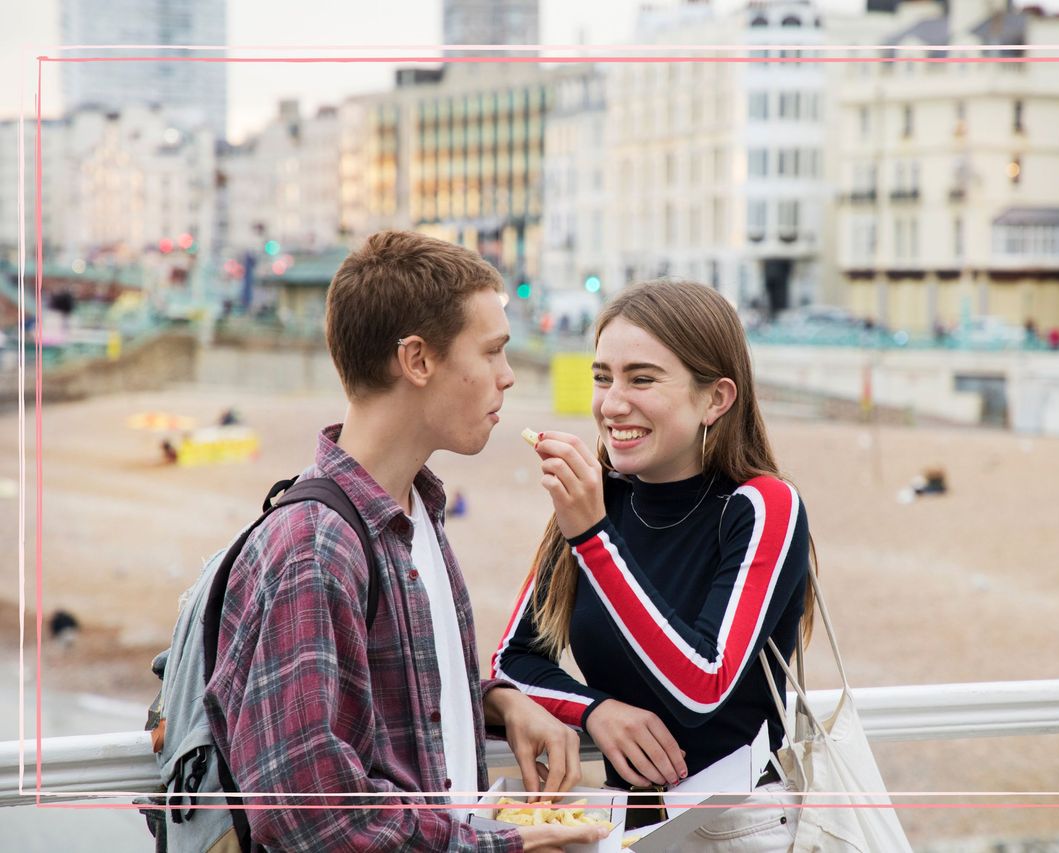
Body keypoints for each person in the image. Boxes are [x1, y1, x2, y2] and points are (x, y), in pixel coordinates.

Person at [204, 231, 608, 852]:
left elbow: (389, 694)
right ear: (417, 360)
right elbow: (308, 814)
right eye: (493, 352)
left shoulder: (414, 509)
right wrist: (507, 845)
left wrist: (500, 704)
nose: (507, 378)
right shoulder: (314, 547)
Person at [493, 279, 816, 849]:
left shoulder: (762, 505)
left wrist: (593, 537)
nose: (612, 403)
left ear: (716, 398)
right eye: (602, 377)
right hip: (629, 827)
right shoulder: (601, 498)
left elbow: (701, 687)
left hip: (739, 827)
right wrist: (597, 711)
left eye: (642, 379)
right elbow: (514, 660)